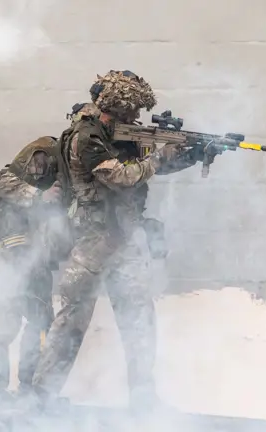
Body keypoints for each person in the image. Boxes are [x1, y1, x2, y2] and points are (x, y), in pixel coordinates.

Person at [31, 70, 201, 414]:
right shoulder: (87, 136)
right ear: (119, 108)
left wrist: (189, 156)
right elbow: (122, 176)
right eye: (132, 112)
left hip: (124, 239)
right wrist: (160, 155)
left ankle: (143, 399)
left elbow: (145, 166)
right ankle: (40, 401)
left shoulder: (115, 134)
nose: (137, 118)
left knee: (139, 319)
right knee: (71, 323)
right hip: (94, 241)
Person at [0, 134, 71, 410]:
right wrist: (39, 195)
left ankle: (27, 391)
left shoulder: (77, 162)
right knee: (9, 322)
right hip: (9, 252)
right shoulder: (47, 153)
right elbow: (5, 182)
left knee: (38, 323)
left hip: (32, 254)